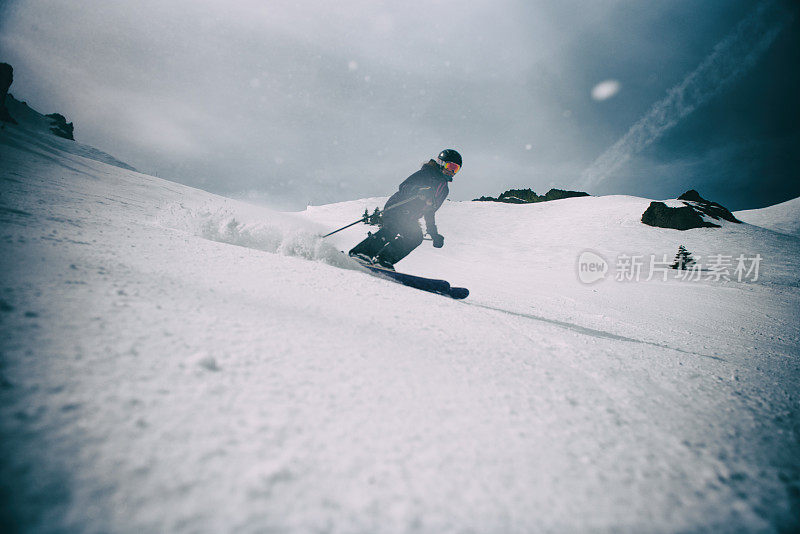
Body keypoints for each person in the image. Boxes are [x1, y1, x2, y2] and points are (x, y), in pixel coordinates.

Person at [349, 149, 462, 270]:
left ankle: (384, 260)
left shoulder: (444, 189)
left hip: (410, 217)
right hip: (397, 207)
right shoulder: (427, 173)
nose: (451, 171)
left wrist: (434, 233)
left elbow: (430, 211)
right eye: (450, 166)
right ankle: (361, 253)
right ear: (441, 162)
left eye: (455, 169)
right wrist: (419, 190)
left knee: (415, 238)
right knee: (393, 229)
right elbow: (404, 186)